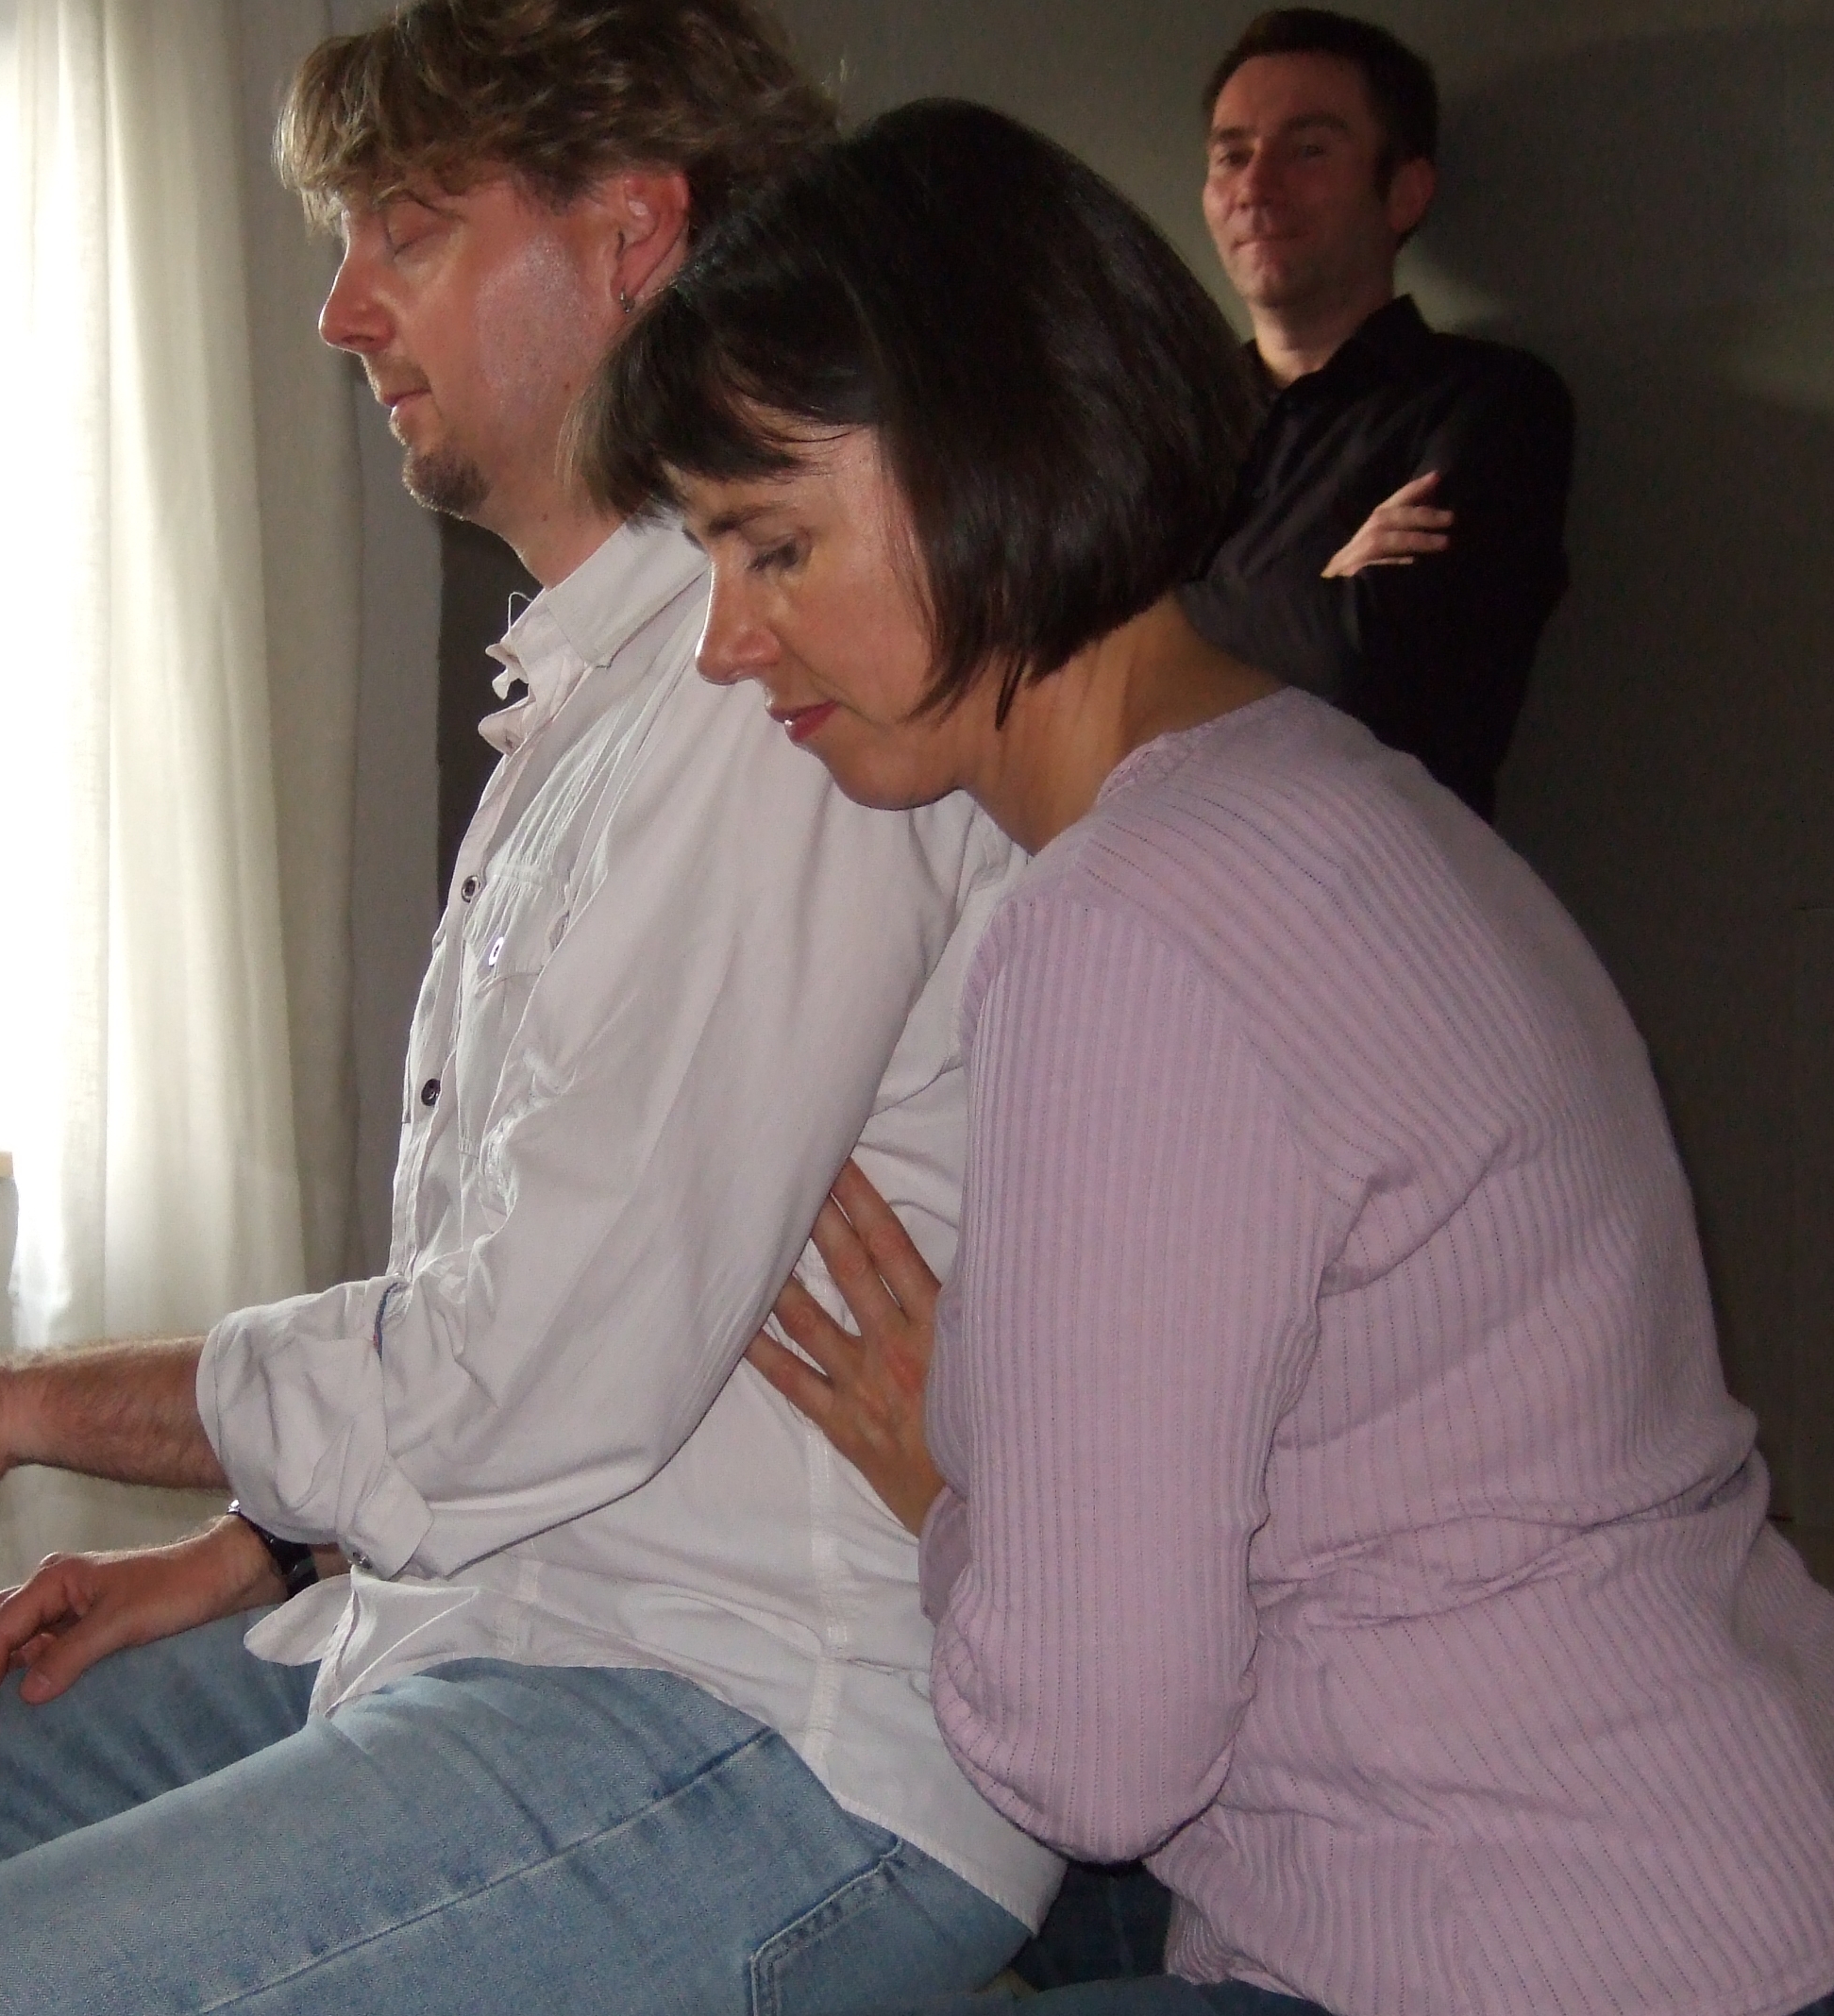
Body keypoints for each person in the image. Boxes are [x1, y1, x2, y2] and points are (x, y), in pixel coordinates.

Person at [0, 6, 1064, 2009]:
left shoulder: (762, 705)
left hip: (766, 1722)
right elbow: (521, 1316)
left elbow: (519, 1375)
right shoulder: (605, 691)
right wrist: (260, 1549)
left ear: (631, 236)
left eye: (407, 230)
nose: (340, 310)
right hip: (485, 1622)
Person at [585, 93, 1834, 2015]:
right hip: (1725, 1852)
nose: (723, 646)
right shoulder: (1319, 792)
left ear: (992, 461)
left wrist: (954, 1504)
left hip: (1532, 1942)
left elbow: (1090, 1753)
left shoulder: (1126, 929)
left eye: (772, 547)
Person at [1178, 8, 1574, 821]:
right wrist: (1314, 593)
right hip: (1137, 879)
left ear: (1404, 192)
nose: (1255, 187)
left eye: (1308, 150)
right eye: (1232, 155)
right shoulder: (1158, 425)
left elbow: (1363, 667)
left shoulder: (1493, 405)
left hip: (1361, 887)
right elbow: (1048, 649)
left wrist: (1152, 622)